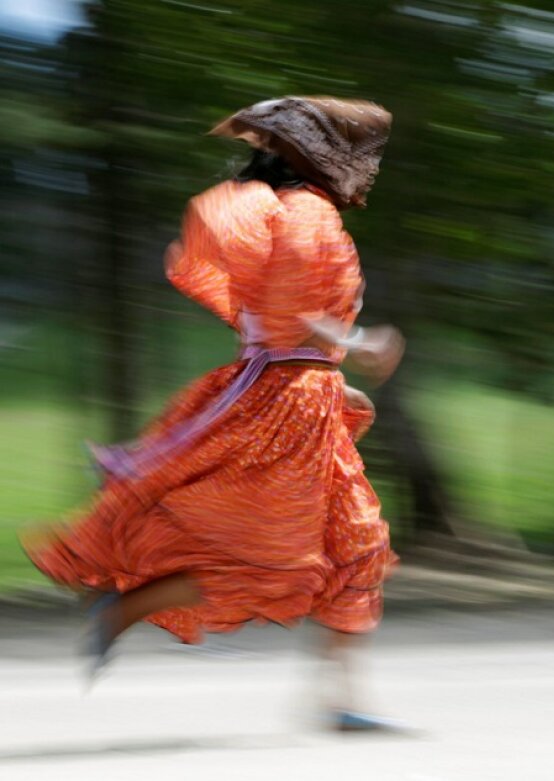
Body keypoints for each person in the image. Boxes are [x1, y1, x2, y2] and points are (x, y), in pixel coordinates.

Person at [21, 96, 407, 731]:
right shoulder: (308, 213)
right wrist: (364, 347)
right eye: (362, 154)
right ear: (326, 155)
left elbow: (279, 321)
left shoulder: (279, 210)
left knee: (352, 547)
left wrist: (333, 374)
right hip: (289, 405)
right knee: (268, 550)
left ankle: (342, 699)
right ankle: (125, 607)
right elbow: (293, 317)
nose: (368, 169)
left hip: (301, 394)